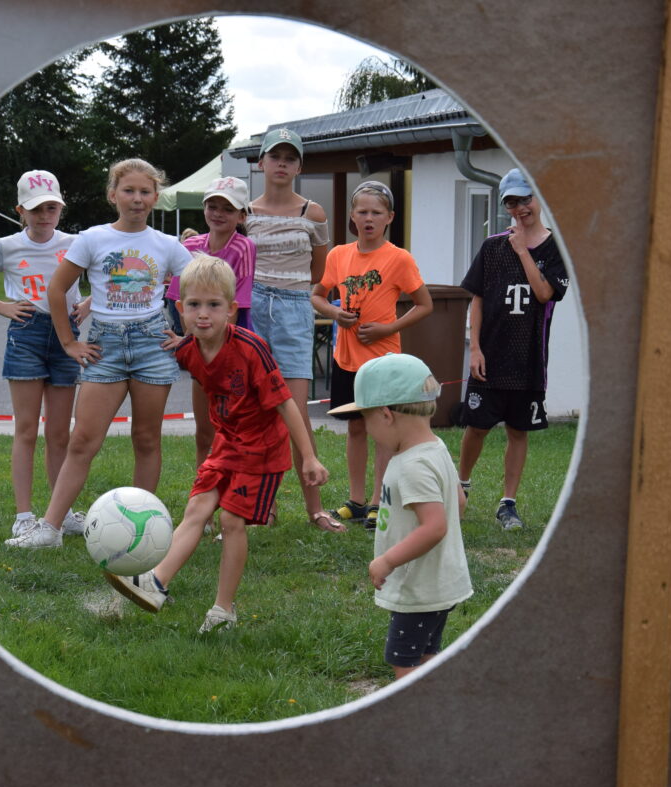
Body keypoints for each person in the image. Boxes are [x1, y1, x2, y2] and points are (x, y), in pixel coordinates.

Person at [106, 254, 330, 632]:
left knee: (230, 520)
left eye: (214, 305)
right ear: (179, 309)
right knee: (197, 508)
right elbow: (174, 349)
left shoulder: (250, 349)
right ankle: (155, 583)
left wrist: (308, 457)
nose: (203, 315)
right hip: (226, 446)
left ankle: (223, 610)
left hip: (261, 451)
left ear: (232, 309)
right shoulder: (189, 351)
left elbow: (287, 405)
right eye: (193, 305)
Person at [5, 158, 192, 549]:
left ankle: (146, 532)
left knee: (146, 439)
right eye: (128, 191)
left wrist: (185, 336)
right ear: (113, 195)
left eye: (144, 192)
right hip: (103, 347)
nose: (137, 199)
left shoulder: (167, 246)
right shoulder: (92, 239)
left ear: (155, 197)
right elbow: (56, 291)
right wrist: (69, 342)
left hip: (151, 345)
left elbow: (197, 288)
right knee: (83, 440)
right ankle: (50, 529)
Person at [0, 169, 91, 542]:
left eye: (51, 208)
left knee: (60, 433)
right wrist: (0, 306)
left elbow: (108, 277)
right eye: (36, 209)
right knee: (27, 429)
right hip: (26, 335)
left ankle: (57, 517)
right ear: (20, 211)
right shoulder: (7, 246)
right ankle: (24, 516)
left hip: (67, 337)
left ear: (61, 208)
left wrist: (87, 303)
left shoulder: (77, 243)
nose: (44, 216)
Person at [329, 353, 472, 680]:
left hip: (419, 586)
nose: (367, 428)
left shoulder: (410, 466)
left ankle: (412, 716)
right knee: (425, 654)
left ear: (385, 415)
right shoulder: (435, 448)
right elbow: (458, 504)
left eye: (366, 419)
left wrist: (388, 560)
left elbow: (435, 526)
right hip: (438, 582)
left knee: (402, 661)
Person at [311, 180, 432, 531]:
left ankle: (379, 502)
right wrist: (335, 314)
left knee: (382, 432)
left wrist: (387, 329)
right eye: (362, 212)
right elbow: (317, 295)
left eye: (376, 213)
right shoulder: (338, 255)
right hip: (346, 357)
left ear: (389, 218)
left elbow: (425, 305)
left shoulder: (398, 258)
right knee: (355, 430)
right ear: (352, 215)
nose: (368, 218)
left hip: (382, 362)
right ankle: (356, 500)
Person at [456, 168, 570, 530]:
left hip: (528, 362)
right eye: (512, 202)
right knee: (476, 427)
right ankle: (460, 487)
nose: (520, 208)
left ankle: (508, 503)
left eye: (526, 199)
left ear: (539, 199)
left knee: (517, 431)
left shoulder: (557, 249)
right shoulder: (491, 246)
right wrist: (474, 348)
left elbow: (544, 293)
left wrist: (523, 251)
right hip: (490, 357)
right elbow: (477, 299)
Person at [245, 128, 344, 532]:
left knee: (296, 413)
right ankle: (261, 508)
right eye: (275, 156)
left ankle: (315, 509)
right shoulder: (244, 212)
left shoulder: (313, 213)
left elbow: (320, 272)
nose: (282, 163)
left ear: (299, 166)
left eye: (290, 158)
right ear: (262, 163)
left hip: (293, 307)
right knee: (254, 413)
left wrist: (292, 294)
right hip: (253, 308)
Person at [165, 176, 256, 471]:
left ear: (241, 216)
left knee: (239, 430)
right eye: (212, 206)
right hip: (199, 350)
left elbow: (235, 307)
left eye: (227, 209)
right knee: (204, 431)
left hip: (232, 350)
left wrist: (205, 342)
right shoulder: (189, 245)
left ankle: (253, 498)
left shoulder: (243, 247)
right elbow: (179, 298)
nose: (218, 213)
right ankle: (204, 495)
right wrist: (191, 341)